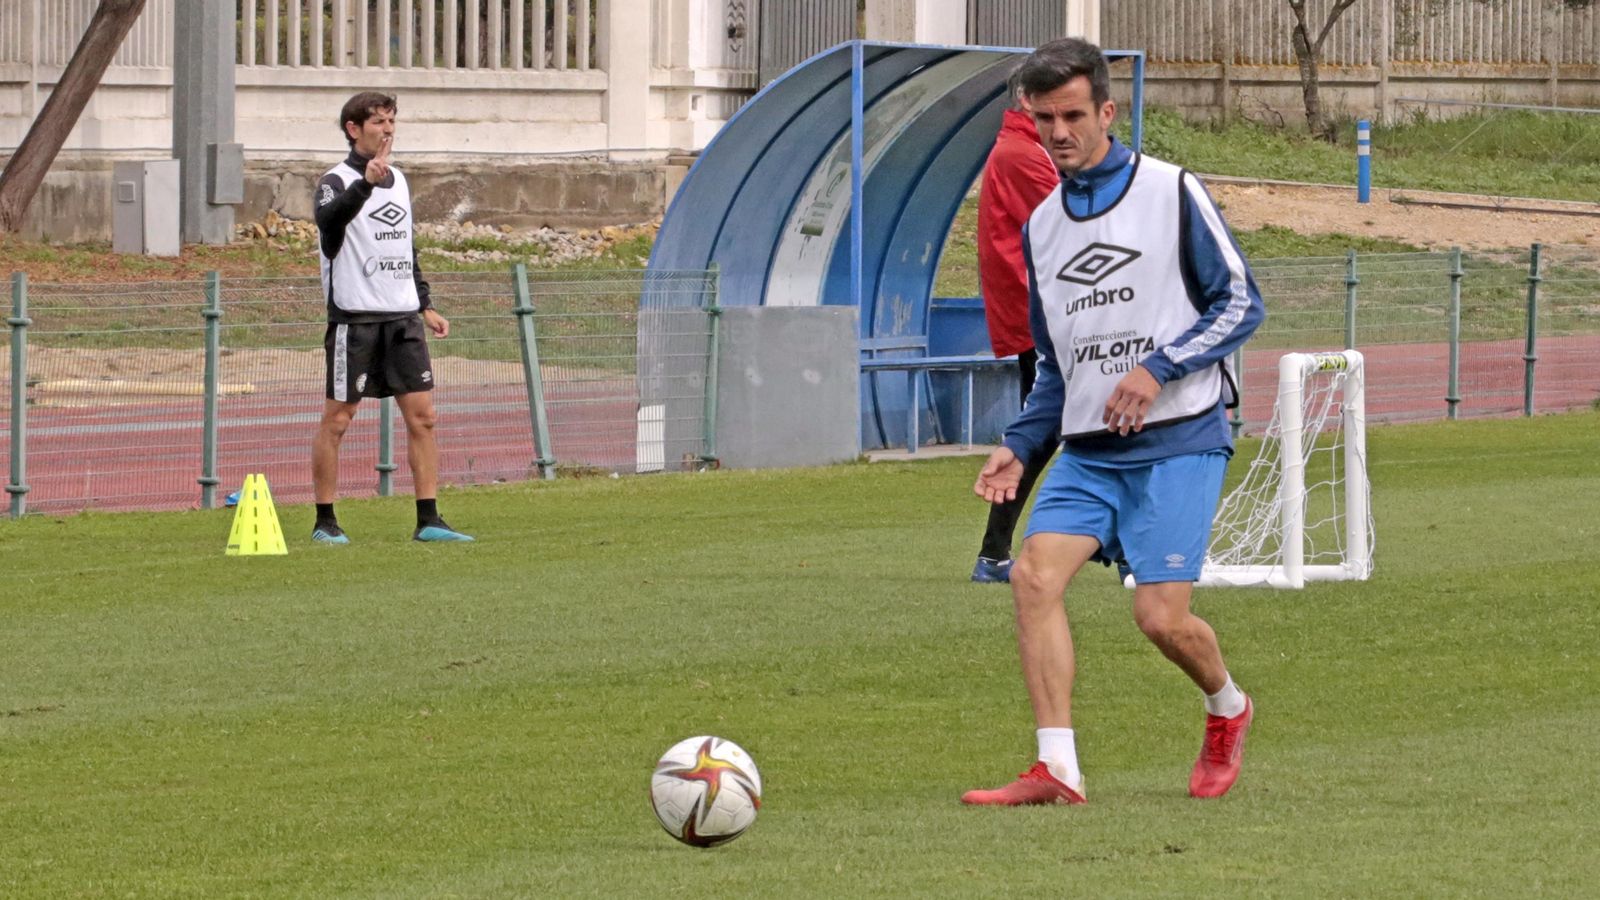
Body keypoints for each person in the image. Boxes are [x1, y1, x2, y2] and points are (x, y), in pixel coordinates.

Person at [963, 38, 1265, 806]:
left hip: (1181, 439)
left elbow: (1240, 303)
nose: (1058, 132)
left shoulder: (1171, 191)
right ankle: (1057, 767)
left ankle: (1227, 707)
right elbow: (1056, 365)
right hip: (1091, 453)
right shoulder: (1041, 226)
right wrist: (1019, 445)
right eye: (1044, 119)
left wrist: (1156, 367)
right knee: (1032, 577)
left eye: (1071, 115)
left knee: (1160, 619)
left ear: (1106, 110)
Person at [310, 91, 473, 544]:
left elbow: (403, 246)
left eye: (391, 121)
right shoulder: (336, 180)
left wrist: (425, 302)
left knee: (424, 418)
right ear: (353, 128)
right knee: (338, 420)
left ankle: (429, 520)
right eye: (379, 121)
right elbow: (328, 222)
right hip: (355, 318)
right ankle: (325, 522)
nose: (388, 129)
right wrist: (365, 182)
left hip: (402, 318)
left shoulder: (399, 181)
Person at [971, 70, 1063, 584]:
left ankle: (994, 553)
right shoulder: (1022, 155)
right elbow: (1079, 217)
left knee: (1048, 432)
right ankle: (992, 554)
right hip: (1045, 315)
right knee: (1043, 432)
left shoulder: (1021, 149)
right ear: (1027, 101)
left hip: (1041, 312)